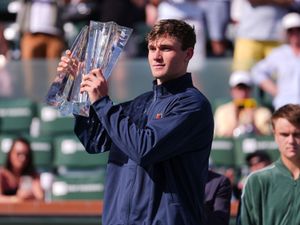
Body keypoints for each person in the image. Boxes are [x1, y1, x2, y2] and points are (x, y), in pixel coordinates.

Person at [57, 19, 214, 224]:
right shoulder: (141, 103)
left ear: (188, 54)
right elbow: (94, 141)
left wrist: (103, 102)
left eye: (165, 48)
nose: (156, 56)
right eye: (151, 48)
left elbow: (144, 149)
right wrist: (80, 86)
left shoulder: (192, 105)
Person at [239, 104, 300, 225]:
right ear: (274, 135)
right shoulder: (257, 181)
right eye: (284, 134)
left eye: (297, 134)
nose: (291, 141)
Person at [251, 12, 300, 110]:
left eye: (298, 30)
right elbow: (257, 71)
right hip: (285, 106)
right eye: (291, 31)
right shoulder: (279, 53)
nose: (295, 34)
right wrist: (275, 91)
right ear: (286, 33)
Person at [214, 71, 272, 138]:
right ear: (232, 91)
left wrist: (252, 122)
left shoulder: (263, 112)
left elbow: (268, 139)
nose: (242, 93)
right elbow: (221, 139)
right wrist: (236, 118)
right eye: (239, 89)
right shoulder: (222, 111)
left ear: (251, 90)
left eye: (246, 89)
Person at [0, 137, 44, 202]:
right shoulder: (2, 174)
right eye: (18, 154)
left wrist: (30, 196)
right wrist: (16, 199)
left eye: (26, 155)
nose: (22, 158)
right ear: (10, 154)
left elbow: (41, 199)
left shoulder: (33, 176)